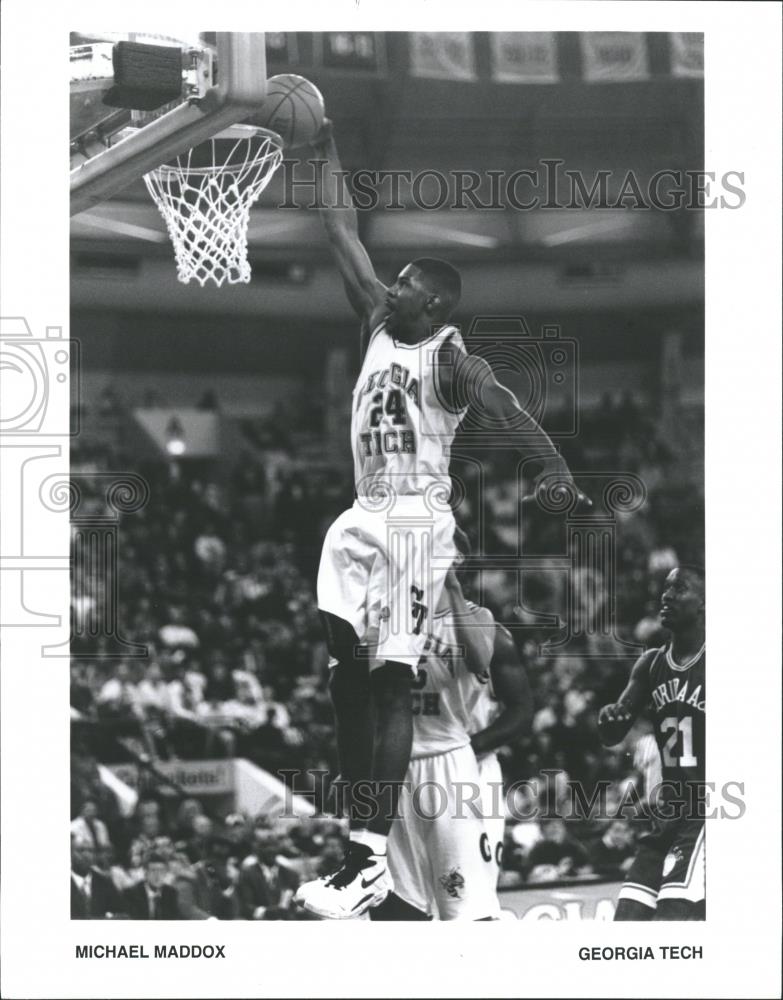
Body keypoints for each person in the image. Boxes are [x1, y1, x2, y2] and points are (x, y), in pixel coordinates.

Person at [296, 119, 584, 919]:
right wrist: (322, 153)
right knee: (344, 679)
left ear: (434, 302)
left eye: (405, 285)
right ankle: (361, 855)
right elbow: (338, 229)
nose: (389, 287)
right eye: (392, 280)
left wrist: (553, 468)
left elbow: (504, 405)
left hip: (414, 527)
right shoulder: (376, 324)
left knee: (389, 682)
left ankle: (362, 860)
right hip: (359, 518)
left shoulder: (452, 360)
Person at [371, 559, 533, 920]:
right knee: (401, 897)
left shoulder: (487, 629)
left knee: (466, 897)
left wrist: (467, 750)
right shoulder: (390, 620)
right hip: (401, 765)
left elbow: (521, 710)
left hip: (466, 763)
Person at [598, 565, 705, 920]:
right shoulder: (651, 664)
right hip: (668, 813)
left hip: (707, 810)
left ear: (705, 603)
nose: (667, 595)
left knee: (671, 921)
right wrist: (608, 718)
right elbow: (612, 734)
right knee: (626, 918)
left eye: (680, 589)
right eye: (666, 587)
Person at [238, 827, 300, 920]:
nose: (270, 850)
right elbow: (246, 907)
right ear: (257, 850)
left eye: (274, 846)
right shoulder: (248, 874)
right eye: (265, 846)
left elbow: (295, 905)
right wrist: (269, 913)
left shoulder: (290, 874)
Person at [70, 835, 122, 919]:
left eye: (90, 851)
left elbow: (120, 914)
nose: (86, 855)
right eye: (81, 850)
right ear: (70, 853)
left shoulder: (105, 884)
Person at [122, 851, 181, 919]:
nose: (157, 875)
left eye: (161, 870)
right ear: (145, 872)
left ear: (166, 873)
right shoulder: (131, 894)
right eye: (153, 870)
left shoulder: (171, 893)